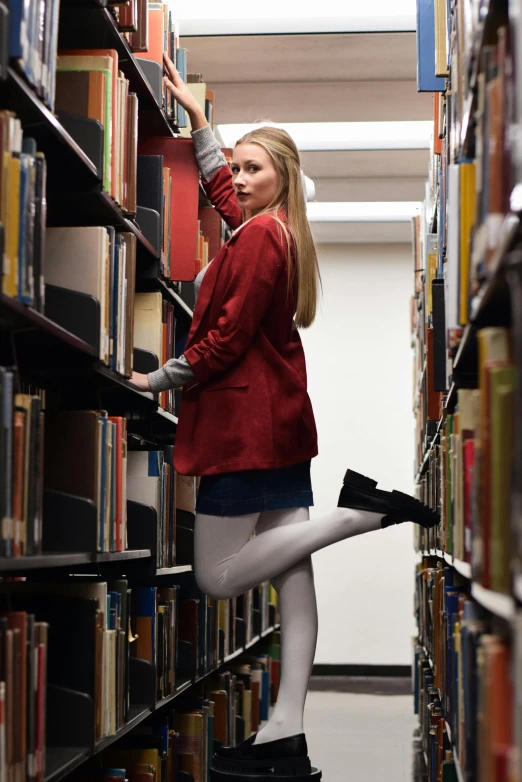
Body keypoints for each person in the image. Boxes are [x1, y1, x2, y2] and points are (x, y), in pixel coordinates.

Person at [130, 52, 438, 778]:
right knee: (294, 577)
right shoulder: (261, 228)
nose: (236, 179)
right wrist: (205, 126)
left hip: (245, 433)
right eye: (235, 167)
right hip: (278, 428)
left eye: (252, 169)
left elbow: (227, 337)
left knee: (216, 577)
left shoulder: (265, 236)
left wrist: (159, 379)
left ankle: (358, 514)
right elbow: (218, 192)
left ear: (283, 180)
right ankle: (286, 733)